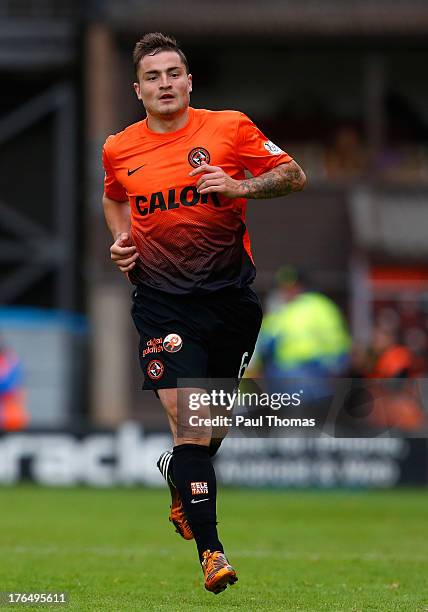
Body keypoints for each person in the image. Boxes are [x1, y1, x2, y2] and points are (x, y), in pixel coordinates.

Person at [102, 32, 306, 594]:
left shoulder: (229, 128)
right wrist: (121, 240)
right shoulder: (119, 148)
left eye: (174, 73)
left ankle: (179, 479)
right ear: (137, 90)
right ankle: (212, 553)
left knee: (210, 429)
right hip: (162, 301)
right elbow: (115, 195)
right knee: (191, 427)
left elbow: (293, 174)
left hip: (231, 301)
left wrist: (239, 184)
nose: (165, 84)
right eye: (153, 77)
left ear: (189, 81)